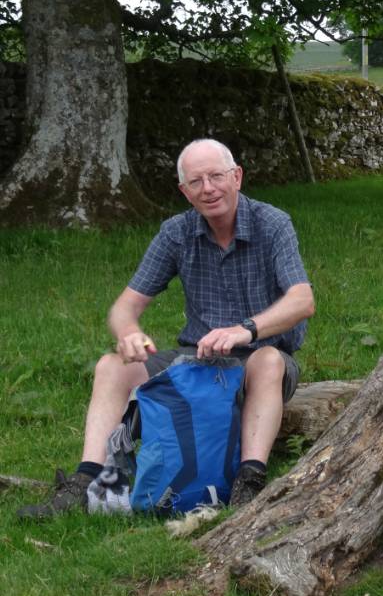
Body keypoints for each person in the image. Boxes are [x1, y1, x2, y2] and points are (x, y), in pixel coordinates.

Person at [18, 139, 315, 518]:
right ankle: (86, 482)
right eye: (196, 182)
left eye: (216, 177)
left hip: (258, 359)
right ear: (184, 191)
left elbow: (303, 300)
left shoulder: (272, 223)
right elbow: (125, 306)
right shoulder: (176, 232)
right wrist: (128, 331)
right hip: (198, 358)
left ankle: (250, 480)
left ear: (237, 177)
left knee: (270, 360)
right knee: (111, 366)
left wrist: (246, 331)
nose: (208, 188)